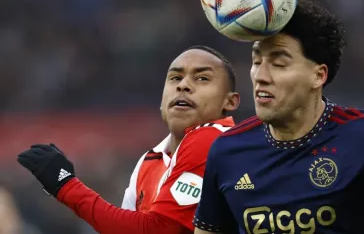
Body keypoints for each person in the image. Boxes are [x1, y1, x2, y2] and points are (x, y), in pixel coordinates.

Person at [193, 0, 364, 234]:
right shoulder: (228, 151)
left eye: (278, 63)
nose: (260, 76)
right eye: (256, 61)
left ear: (318, 75)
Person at [17, 46, 240, 234]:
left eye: (202, 78)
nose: (183, 85)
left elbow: (159, 230)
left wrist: (66, 186)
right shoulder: (149, 160)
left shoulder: (215, 138)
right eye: (175, 78)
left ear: (229, 102)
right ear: (162, 99)